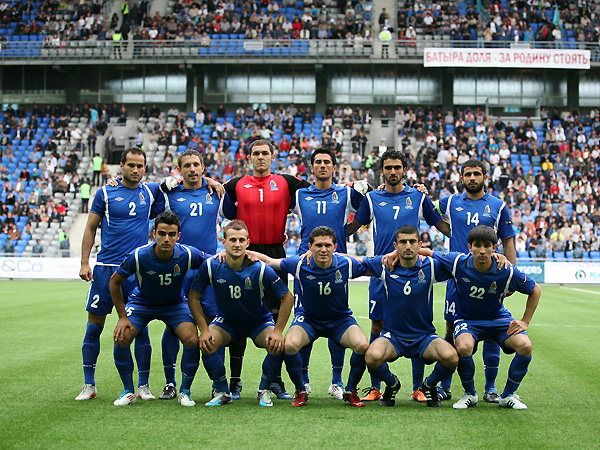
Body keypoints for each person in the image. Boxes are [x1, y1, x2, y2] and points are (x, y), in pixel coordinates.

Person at [348, 150, 450, 402]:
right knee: (377, 325)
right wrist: (323, 239)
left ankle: (418, 387)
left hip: (413, 272)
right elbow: (351, 227)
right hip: (382, 272)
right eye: (388, 167)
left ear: (405, 170)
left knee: (417, 327)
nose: (392, 172)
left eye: (397, 167)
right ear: (382, 170)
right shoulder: (371, 198)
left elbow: (441, 225)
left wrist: (472, 240)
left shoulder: (418, 197)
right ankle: (376, 386)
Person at [220, 139, 310, 399]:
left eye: (265, 153)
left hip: (274, 253)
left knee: (276, 314)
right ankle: (234, 381)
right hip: (243, 253)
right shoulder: (237, 184)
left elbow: (318, 187)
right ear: (249, 158)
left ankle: (274, 380)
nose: (260, 157)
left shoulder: (286, 182)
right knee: (238, 312)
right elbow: (216, 195)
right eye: (256, 153)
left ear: (273, 157)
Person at [422, 226, 541, 410]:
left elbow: (535, 290)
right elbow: (427, 252)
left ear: (494, 248)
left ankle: (507, 396)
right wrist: (395, 254)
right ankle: (470, 394)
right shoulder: (458, 262)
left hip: (498, 319)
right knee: (464, 346)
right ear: (470, 247)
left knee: (525, 346)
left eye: (487, 246)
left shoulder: (506, 269)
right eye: (478, 245)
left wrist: (525, 321)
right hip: (468, 320)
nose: (483, 250)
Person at [250, 226, 370, 407]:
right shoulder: (299, 264)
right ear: (310, 247)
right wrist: (242, 253)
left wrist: (393, 257)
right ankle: (301, 390)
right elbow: (270, 261)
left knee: (362, 345)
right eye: (318, 245)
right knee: (289, 345)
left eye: (327, 245)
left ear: (335, 247)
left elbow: (372, 267)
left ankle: (350, 390)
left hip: (340, 320)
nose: (323, 249)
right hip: (308, 320)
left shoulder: (346, 263)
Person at [76, 148, 160, 402]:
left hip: (136, 271)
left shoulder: (150, 192)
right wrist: (84, 262)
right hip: (106, 269)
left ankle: (143, 386)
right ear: (121, 165)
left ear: (145, 168)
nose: (135, 169)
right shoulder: (105, 192)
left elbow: (181, 182)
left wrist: (210, 181)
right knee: (94, 328)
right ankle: (89, 384)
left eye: (140, 166)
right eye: (131, 165)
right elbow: (91, 228)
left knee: (140, 329)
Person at [187, 220, 294, 407]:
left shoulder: (259, 268)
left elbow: (287, 297)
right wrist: (203, 329)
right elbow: (193, 297)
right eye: (233, 240)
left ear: (248, 243)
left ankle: (263, 390)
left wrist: (278, 331)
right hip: (226, 322)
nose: (237, 244)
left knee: (277, 344)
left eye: (241, 240)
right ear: (224, 241)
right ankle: (223, 391)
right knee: (207, 343)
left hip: (258, 322)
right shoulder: (211, 266)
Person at [435, 159, 516, 403]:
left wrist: (510, 276)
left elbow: (508, 241)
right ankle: (446, 386)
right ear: (461, 178)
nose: (472, 178)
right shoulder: (450, 202)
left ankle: (490, 388)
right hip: (458, 276)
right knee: (451, 329)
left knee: (491, 331)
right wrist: (447, 230)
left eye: (476, 174)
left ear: (484, 177)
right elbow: (428, 210)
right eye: (468, 174)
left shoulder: (498, 206)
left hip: (489, 278)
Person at [291, 148, 368, 399]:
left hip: (336, 268)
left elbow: (370, 207)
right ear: (311, 167)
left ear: (334, 167)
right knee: (305, 318)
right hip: (306, 269)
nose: (322, 166)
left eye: (327, 162)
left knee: (337, 317)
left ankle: (337, 381)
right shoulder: (299, 195)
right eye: (318, 162)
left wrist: (347, 231)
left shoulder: (346, 193)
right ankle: (304, 380)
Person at [110, 212, 208, 406]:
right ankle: (128, 391)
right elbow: (114, 282)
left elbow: (212, 263)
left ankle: (185, 392)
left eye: (171, 234)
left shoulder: (188, 254)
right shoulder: (138, 256)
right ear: (154, 233)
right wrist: (122, 316)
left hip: (174, 304)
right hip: (142, 303)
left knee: (191, 338)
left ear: (178, 235)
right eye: (162, 233)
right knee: (121, 337)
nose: (166, 239)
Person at [151, 150, 224, 400]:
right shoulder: (169, 194)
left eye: (196, 165)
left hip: (209, 269)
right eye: (187, 166)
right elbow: (142, 195)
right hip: (178, 269)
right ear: (179, 169)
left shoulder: (217, 192)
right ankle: (170, 383)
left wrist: (213, 181)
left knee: (215, 324)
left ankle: (218, 383)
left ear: (203, 167)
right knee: (174, 325)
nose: (192, 169)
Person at [361, 225, 459, 407]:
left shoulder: (431, 267)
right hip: (393, 337)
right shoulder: (385, 266)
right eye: (403, 242)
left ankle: (429, 385)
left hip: (424, 337)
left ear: (420, 244)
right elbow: (355, 261)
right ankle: (392, 384)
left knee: (452, 357)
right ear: (395, 245)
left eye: (412, 242)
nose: (408, 246)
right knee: (371, 357)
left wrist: (430, 252)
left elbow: (461, 262)